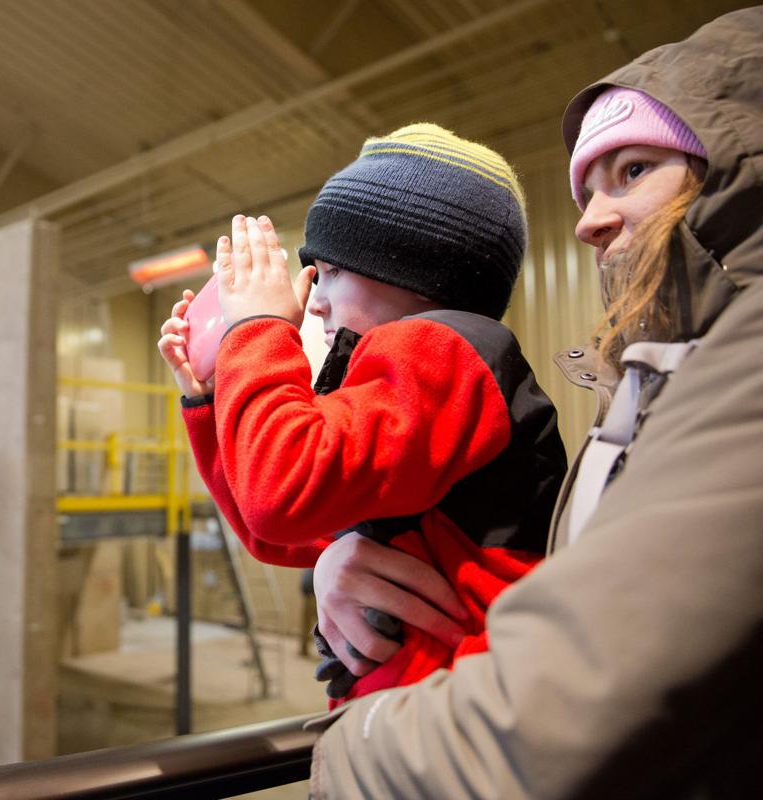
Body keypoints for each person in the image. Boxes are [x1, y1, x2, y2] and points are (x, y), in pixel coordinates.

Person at [308, 8, 763, 797]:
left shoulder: (453, 358)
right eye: (584, 187)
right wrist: (337, 564)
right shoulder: (643, 390)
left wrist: (347, 747)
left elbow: (573, 706)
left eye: (631, 169)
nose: (588, 220)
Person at [157, 124, 568, 703]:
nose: (314, 300)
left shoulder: (443, 351)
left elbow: (279, 495)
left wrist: (258, 328)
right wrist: (210, 394)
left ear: (413, 268)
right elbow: (271, 529)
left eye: (330, 272)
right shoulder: (413, 379)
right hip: (429, 710)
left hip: (457, 726)